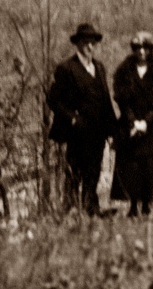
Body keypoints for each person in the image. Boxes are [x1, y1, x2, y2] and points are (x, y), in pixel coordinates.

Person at [46, 23, 117, 216]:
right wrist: (73, 119)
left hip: (98, 130)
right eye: (85, 42)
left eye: (92, 43)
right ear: (77, 44)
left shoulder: (99, 67)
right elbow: (53, 100)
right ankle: (70, 210)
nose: (90, 47)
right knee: (74, 172)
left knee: (93, 172)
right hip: (77, 132)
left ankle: (91, 209)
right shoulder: (67, 68)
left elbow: (105, 100)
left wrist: (112, 131)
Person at [110, 31, 153, 217]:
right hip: (129, 124)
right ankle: (132, 205)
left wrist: (145, 122)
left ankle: (147, 204)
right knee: (131, 165)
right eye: (137, 48)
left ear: (151, 49)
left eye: (145, 48)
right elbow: (121, 99)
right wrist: (132, 122)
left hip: (152, 125)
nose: (141, 51)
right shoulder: (124, 70)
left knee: (150, 165)